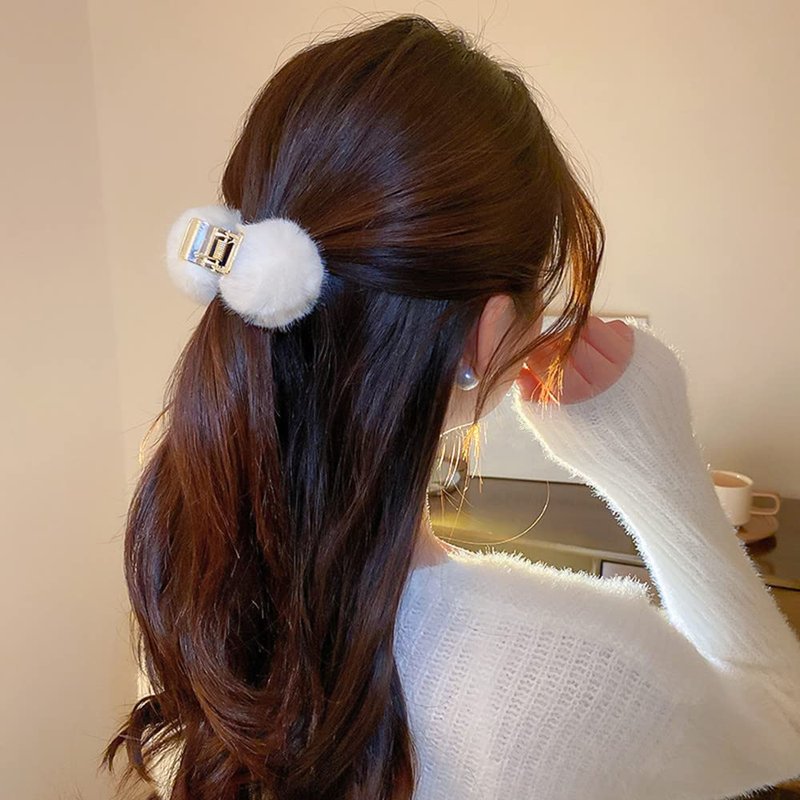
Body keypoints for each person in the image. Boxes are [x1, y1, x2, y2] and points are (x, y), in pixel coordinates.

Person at [102, 13, 800, 800]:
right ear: (486, 333)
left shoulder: (181, 543)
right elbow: (779, 723)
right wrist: (653, 462)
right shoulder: (570, 671)